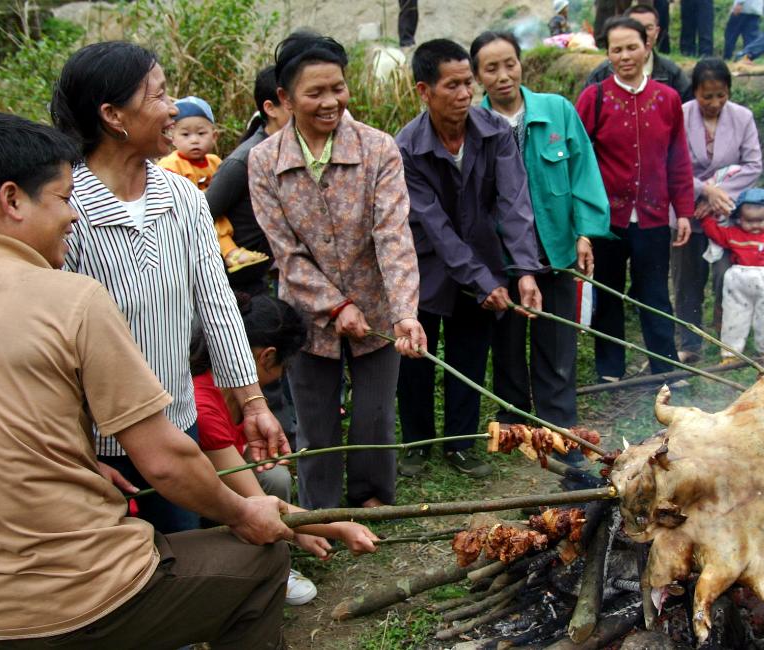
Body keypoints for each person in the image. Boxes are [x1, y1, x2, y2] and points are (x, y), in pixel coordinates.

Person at [0, 109, 300, 649]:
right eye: (61, 199)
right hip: (90, 597)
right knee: (262, 557)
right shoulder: (71, 297)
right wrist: (245, 513)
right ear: (12, 200)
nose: (74, 217)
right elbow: (166, 462)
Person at [53, 41, 288, 534]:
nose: (174, 109)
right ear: (113, 115)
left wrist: (252, 404)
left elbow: (218, 305)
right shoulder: (65, 208)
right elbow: (53, 349)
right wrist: (74, 453)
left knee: (183, 551)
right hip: (95, 448)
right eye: (158, 96)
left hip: (177, 430)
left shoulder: (180, 194)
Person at [249, 32, 427, 510]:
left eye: (338, 88)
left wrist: (405, 313)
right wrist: (334, 305)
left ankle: (371, 496)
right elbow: (285, 252)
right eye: (315, 93)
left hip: (377, 306)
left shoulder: (378, 149)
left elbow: (394, 234)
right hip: (306, 313)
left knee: (373, 413)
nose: (331, 102)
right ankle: (321, 508)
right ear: (285, 98)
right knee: (315, 417)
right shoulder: (264, 161)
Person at [395, 38, 544, 478]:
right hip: (426, 265)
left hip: (483, 262)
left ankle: (460, 443)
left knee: (469, 354)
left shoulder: (494, 132)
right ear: (424, 90)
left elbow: (514, 203)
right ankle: (418, 442)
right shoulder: (406, 146)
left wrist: (525, 272)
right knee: (417, 357)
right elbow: (434, 225)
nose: (464, 94)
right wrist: (482, 279)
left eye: (467, 83)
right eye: (452, 85)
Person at [471, 31, 610, 461]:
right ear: (477, 76)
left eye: (509, 63)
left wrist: (585, 232)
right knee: (508, 344)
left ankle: (558, 425)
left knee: (557, 341)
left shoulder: (557, 111)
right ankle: (516, 426)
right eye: (490, 68)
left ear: (521, 64)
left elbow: (584, 172)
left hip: (557, 249)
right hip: (503, 257)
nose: (502, 75)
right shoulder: (474, 124)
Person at [190, 292, 377, 606]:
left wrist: (297, 528)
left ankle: (272, 550)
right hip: (195, 495)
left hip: (223, 471)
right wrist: (338, 527)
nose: (282, 375)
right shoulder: (205, 404)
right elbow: (256, 501)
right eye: (285, 366)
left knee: (274, 476)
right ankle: (254, 567)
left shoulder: (238, 391)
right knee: (268, 490)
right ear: (266, 357)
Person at [575, 17, 695, 382]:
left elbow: (679, 158)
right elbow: (578, 158)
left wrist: (684, 210)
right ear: (607, 53)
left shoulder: (668, 98)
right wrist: (582, 218)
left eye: (632, 47)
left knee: (655, 294)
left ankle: (664, 369)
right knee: (608, 293)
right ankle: (610, 370)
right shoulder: (594, 98)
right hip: (607, 220)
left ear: (647, 47)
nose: (625, 56)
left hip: (654, 217)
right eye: (616, 49)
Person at [672, 57, 762, 362]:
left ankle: (729, 337)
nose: (714, 102)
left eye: (721, 95)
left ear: (729, 91)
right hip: (688, 210)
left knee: (728, 274)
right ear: (694, 91)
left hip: (726, 211)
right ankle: (690, 341)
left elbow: (753, 165)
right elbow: (672, 163)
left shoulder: (742, 118)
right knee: (688, 278)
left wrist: (716, 195)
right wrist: (703, 190)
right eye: (706, 96)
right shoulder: (680, 116)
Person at [159, 95, 269, 274]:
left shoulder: (214, 161)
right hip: (189, 222)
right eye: (185, 134)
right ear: (172, 137)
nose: (194, 140)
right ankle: (230, 254)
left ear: (214, 136)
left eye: (201, 134)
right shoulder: (170, 165)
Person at [206, 65, 291, 295]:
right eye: (292, 102)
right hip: (240, 286)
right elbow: (201, 213)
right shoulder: (243, 161)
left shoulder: (292, 151)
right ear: (270, 108)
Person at [701, 188, 764, 357]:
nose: (755, 225)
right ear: (739, 218)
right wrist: (706, 217)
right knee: (734, 315)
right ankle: (730, 353)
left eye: (760, 220)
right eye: (749, 221)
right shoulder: (733, 234)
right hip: (738, 280)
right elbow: (715, 233)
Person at [586, 4, 693, 104]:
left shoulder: (672, 74)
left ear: (657, 32)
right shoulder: (600, 75)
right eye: (636, 27)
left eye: (648, 28)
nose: (643, 34)